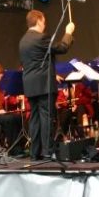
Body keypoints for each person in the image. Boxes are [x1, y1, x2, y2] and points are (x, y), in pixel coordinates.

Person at [18, 10, 75, 161]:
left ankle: (34, 153)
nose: (44, 25)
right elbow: (62, 47)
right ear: (38, 21)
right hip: (43, 84)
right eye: (43, 22)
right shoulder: (41, 38)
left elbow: (32, 62)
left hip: (30, 84)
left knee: (35, 119)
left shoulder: (22, 41)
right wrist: (68, 32)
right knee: (46, 118)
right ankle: (49, 151)